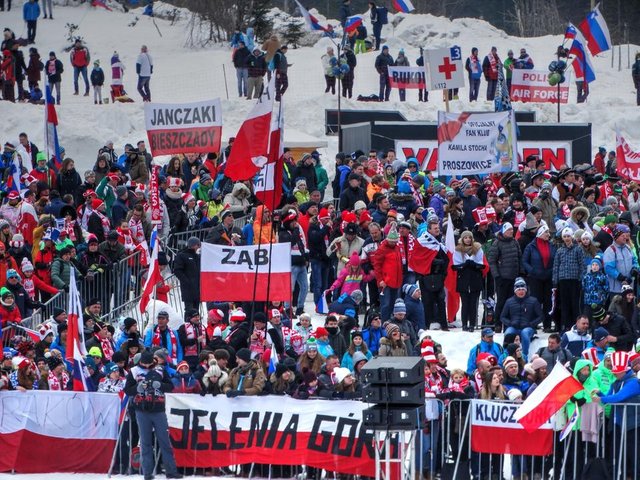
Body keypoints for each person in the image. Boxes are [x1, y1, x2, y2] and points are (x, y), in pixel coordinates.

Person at [124, 350, 183, 480]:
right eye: (143, 364)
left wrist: (160, 385)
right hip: (141, 410)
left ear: (153, 361)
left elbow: (170, 386)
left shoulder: (160, 370)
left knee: (164, 441)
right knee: (145, 443)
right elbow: (127, 390)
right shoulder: (133, 371)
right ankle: (147, 473)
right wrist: (137, 388)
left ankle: (171, 471)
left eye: (148, 363)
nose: (145, 366)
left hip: (159, 410)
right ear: (140, 361)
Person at [500, 278, 543, 358]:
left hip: (528, 328)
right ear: (515, 291)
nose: (521, 292)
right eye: (518, 290)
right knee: (508, 333)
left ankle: (524, 356)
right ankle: (506, 355)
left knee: (525, 333)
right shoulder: (509, 301)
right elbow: (502, 317)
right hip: (513, 327)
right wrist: (510, 323)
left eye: (523, 289)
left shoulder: (533, 301)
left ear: (526, 290)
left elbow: (541, 316)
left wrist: (531, 324)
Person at [452, 230, 486, 331]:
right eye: (465, 238)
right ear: (462, 239)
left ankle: (472, 324)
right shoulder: (458, 250)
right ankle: (464, 324)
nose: (467, 239)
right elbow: (455, 265)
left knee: (473, 304)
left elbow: (481, 263)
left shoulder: (478, 248)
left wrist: (473, 264)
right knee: (465, 303)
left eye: (469, 237)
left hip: (475, 279)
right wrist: (464, 265)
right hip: (463, 280)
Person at [173, 237, 201, 312]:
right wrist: (187, 282)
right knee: (189, 310)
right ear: (194, 245)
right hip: (188, 289)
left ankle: (195, 323)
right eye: (198, 245)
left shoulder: (198, 256)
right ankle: (188, 323)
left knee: (196, 311)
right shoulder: (182, 255)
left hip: (197, 289)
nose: (199, 247)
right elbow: (177, 270)